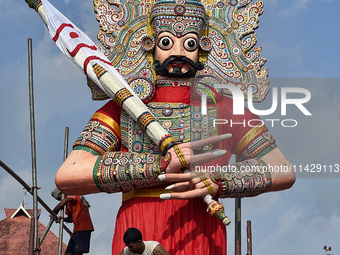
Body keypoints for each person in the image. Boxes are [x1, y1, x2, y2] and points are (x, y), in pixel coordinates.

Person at [25, 0, 296, 254]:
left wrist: (219, 179)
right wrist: (159, 166)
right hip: (139, 225)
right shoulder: (124, 108)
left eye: (189, 43)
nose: (178, 52)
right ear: (149, 44)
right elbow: (69, 173)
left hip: (203, 228)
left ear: (202, 47)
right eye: (167, 42)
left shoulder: (224, 107)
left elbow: (281, 169)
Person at [52, 188, 94, 255]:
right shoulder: (68, 205)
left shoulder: (73, 194)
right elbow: (70, 219)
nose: (60, 200)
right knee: (69, 253)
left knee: (78, 252)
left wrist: (53, 213)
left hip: (83, 228)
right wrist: (62, 219)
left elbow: (61, 204)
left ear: (61, 193)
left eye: (59, 198)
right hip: (76, 229)